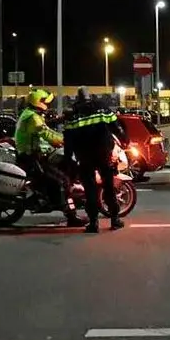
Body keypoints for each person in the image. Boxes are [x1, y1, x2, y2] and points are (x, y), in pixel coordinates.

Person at [63, 87, 130, 233]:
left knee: (90, 190)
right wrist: (125, 140)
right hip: (103, 153)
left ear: (78, 98)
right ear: (90, 96)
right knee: (108, 186)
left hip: (84, 156)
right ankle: (115, 220)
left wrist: (68, 160)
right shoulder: (101, 107)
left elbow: (68, 140)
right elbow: (116, 126)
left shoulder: (73, 114)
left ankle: (93, 223)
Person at [14, 89, 84, 226]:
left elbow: (47, 131)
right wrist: (64, 140)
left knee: (56, 176)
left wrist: (61, 137)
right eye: (46, 101)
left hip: (30, 154)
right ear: (38, 102)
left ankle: (51, 200)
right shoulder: (33, 118)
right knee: (63, 180)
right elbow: (47, 134)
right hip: (31, 156)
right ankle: (71, 217)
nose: (48, 104)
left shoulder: (30, 114)